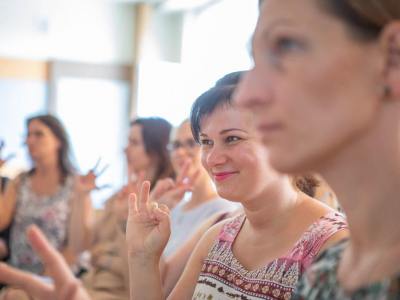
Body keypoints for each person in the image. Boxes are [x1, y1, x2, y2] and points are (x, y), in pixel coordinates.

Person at [234, 0, 400, 298]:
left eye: (286, 45)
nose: (246, 95)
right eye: (254, 59)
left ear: (392, 58)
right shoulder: (326, 271)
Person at [127, 84, 348, 300]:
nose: (213, 159)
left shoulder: (333, 245)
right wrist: (142, 258)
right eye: (206, 142)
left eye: (232, 139)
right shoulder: (217, 239)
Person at [0, 114, 95, 277]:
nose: (30, 140)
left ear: (59, 140)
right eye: (28, 135)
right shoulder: (20, 181)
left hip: (58, 273)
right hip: (17, 272)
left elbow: (79, 245)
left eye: (39, 134)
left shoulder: (76, 185)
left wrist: (47, 275)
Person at [162, 119, 237, 258]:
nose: (180, 152)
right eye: (176, 145)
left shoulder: (222, 211)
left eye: (191, 143)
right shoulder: (173, 208)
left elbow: (168, 277)